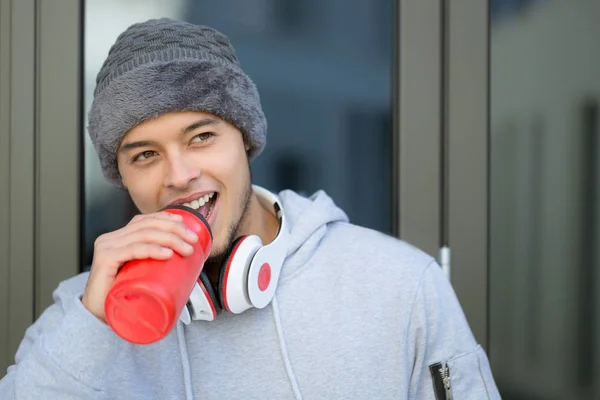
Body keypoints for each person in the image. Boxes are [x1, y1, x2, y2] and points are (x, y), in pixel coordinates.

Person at [0, 18, 500, 399]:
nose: (178, 175)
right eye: (145, 155)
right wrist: (93, 325)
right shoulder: (85, 312)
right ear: (122, 177)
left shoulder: (400, 284)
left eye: (201, 137)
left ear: (246, 140)